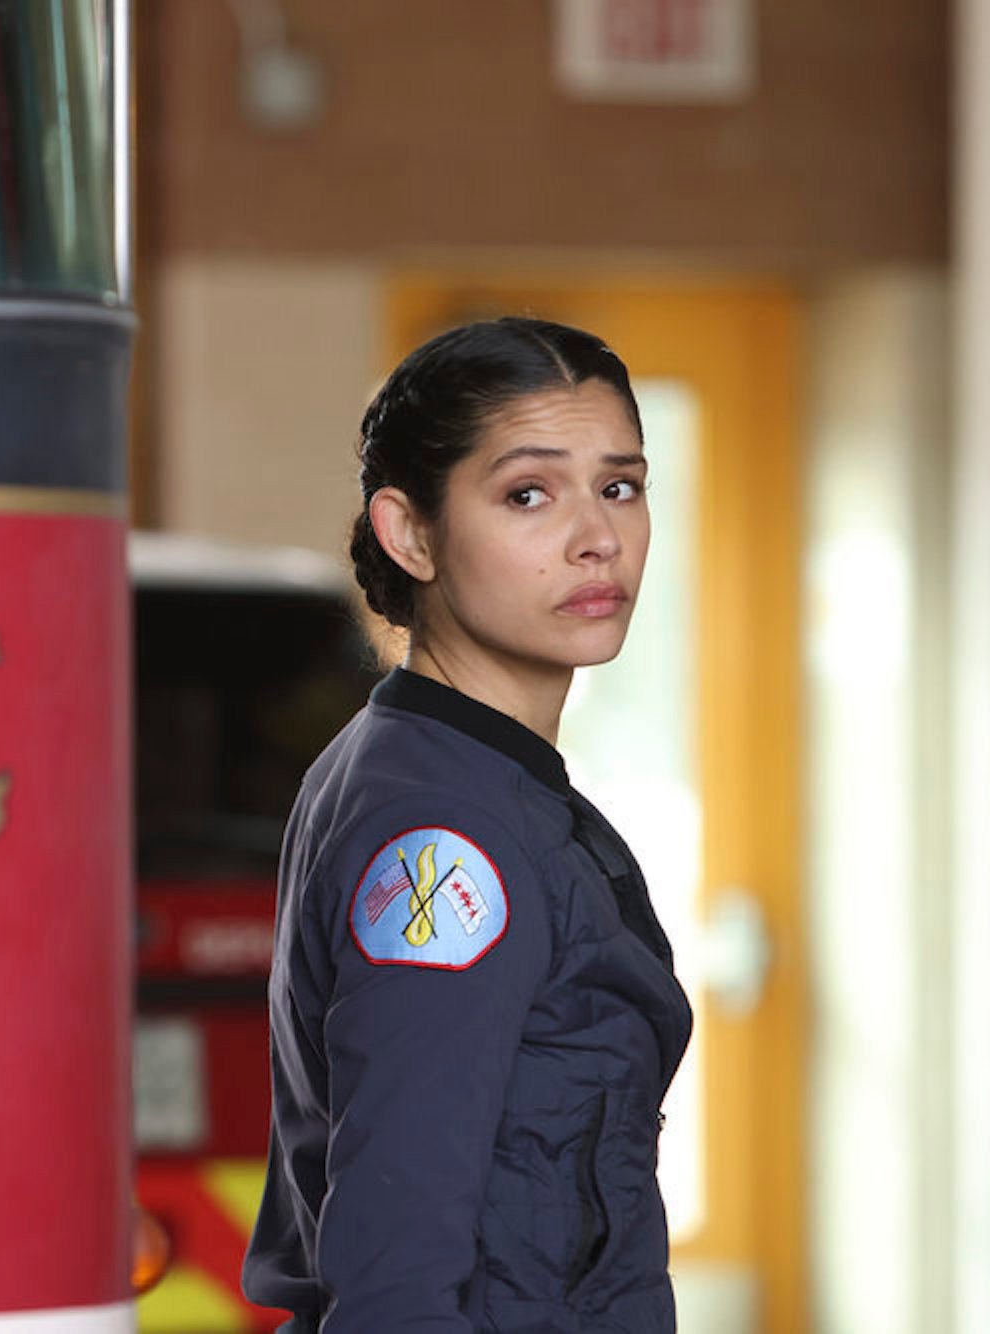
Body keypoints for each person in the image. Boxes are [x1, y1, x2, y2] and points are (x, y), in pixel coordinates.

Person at [241, 317, 694, 1332]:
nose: (597, 535)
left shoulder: (445, 765)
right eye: (527, 493)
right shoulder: (443, 830)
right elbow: (396, 1275)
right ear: (409, 532)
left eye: (618, 485)